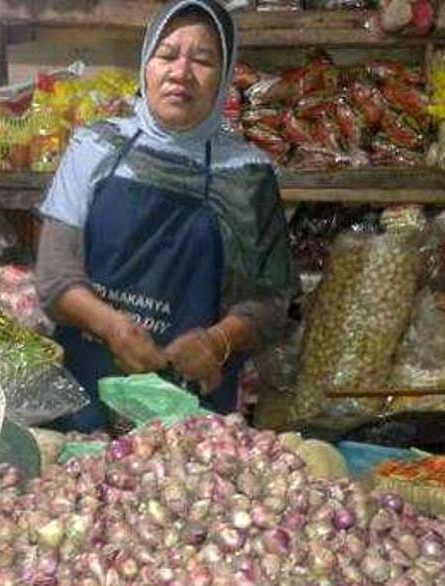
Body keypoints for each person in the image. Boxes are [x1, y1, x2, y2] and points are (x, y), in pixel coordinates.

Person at [35, 0, 297, 431]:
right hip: (83, 391)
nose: (181, 72)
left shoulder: (247, 174)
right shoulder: (95, 147)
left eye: (203, 59)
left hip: (191, 404)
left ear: (224, 76)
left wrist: (217, 342)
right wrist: (111, 326)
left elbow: (269, 302)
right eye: (168, 54)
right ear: (146, 65)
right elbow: (54, 276)